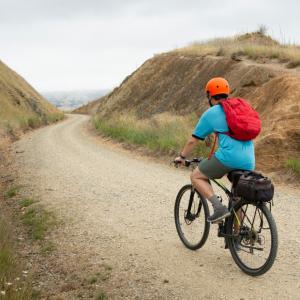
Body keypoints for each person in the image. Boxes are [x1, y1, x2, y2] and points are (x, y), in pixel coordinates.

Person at [174, 77, 255, 223]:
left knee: (196, 176)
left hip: (229, 158)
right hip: (249, 159)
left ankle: (218, 208)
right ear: (227, 94)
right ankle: (237, 238)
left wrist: (182, 156)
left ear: (210, 96)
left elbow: (193, 140)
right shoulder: (239, 108)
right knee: (237, 197)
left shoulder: (212, 113)